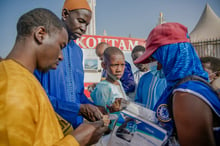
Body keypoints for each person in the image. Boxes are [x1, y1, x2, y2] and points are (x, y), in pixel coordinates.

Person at [0, 8, 109, 146]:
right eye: (60, 46)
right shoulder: (12, 86)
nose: (61, 56)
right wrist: (76, 141)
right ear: (40, 34)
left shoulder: (26, 81)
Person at [134, 22, 220, 145]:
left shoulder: (188, 94)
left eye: (158, 60)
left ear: (172, 56)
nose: (157, 67)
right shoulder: (179, 86)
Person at [34, 0, 103, 128]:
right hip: (48, 128)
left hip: (76, 130)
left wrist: (101, 109)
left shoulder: (78, 52)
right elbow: (36, 97)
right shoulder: (43, 44)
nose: (84, 28)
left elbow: (79, 95)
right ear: (65, 14)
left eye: (87, 24)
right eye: (81, 21)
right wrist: (76, 109)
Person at [90, 47, 128, 112]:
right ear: (104, 65)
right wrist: (111, 110)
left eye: (122, 65)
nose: (119, 69)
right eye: (114, 65)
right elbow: (101, 115)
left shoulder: (118, 82)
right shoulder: (103, 88)